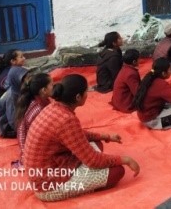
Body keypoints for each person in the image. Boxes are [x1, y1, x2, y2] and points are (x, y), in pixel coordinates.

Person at [24, 74, 140, 202]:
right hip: (47, 186)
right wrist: (125, 159)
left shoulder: (53, 107)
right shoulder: (66, 119)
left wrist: (105, 136)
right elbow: (93, 160)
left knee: (97, 143)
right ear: (78, 97)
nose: (87, 94)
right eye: (86, 91)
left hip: (47, 169)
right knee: (117, 171)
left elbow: (76, 133)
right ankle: (87, 185)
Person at [131, 58, 171, 129]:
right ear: (163, 73)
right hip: (152, 120)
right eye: (170, 69)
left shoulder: (148, 78)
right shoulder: (160, 84)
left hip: (145, 116)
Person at [14, 73, 53, 167]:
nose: (54, 87)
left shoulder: (38, 101)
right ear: (43, 90)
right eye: (52, 85)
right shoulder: (39, 109)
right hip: (33, 152)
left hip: (29, 147)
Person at [0, 66, 30, 138]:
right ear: (16, 80)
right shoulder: (11, 97)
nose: (27, 81)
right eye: (24, 79)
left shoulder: (17, 89)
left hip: (16, 117)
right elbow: (12, 121)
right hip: (7, 126)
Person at [111, 49, 141, 113]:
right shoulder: (131, 73)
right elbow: (138, 93)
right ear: (134, 62)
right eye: (139, 59)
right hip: (125, 105)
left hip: (118, 102)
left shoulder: (125, 68)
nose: (140, 60)